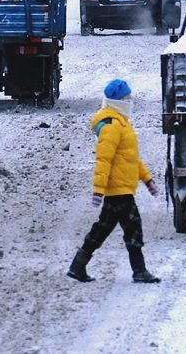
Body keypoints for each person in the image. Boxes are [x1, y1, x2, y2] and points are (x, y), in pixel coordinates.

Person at [67, 79, 160, 284]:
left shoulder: (121, 122)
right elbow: (103, 159)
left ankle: (78, 265)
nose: (131, 101)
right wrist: (98, 189)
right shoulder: (112, 125)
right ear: (118, 100)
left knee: (103, 228)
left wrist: (147, 179)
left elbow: (131, 158)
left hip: (121, 188)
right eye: (127, 97)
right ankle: (139, 270)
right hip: (118, 189)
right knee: (133, 227)